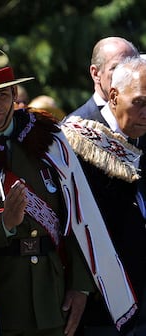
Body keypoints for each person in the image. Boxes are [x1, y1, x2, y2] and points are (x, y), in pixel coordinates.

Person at [0, 39, 135, 336]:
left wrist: (80, 286)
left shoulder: (49, 140)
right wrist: (1, 226)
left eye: (2, 94)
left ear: (15, 92)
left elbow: (81, 215)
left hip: (51, 295)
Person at [63, 57, 146, 336]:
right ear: (113, 95)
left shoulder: (140, 135)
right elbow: (69, 223)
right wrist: (80, 284)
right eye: (140, 103)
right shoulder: (77, 140)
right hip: (101, 302)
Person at [67, 36, 139, 120]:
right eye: (116, 68)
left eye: (133, 68)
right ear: (96, 73)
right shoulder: (74, 127)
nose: (127, 76)